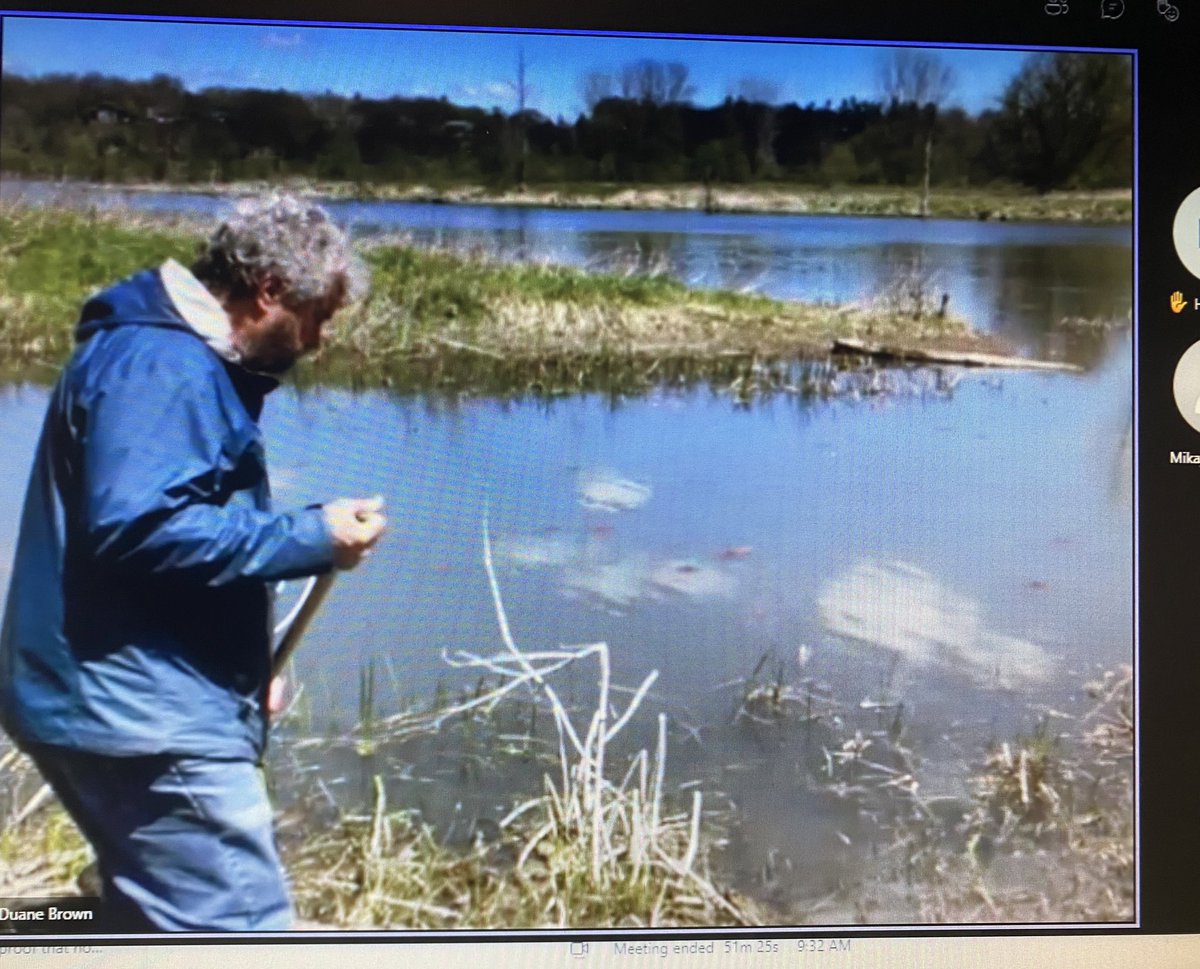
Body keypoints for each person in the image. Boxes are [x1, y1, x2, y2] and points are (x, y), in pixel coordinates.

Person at [0, 194, 387, 932]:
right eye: (320, 313)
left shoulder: (170, 355)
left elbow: (150, 542)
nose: (321, 337)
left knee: (147, 912)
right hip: (132, 716)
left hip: (117, 695)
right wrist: (313, 536)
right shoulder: (163, 364)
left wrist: (238, 669)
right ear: (269, 290)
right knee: (241, 929)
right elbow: (140, 529)